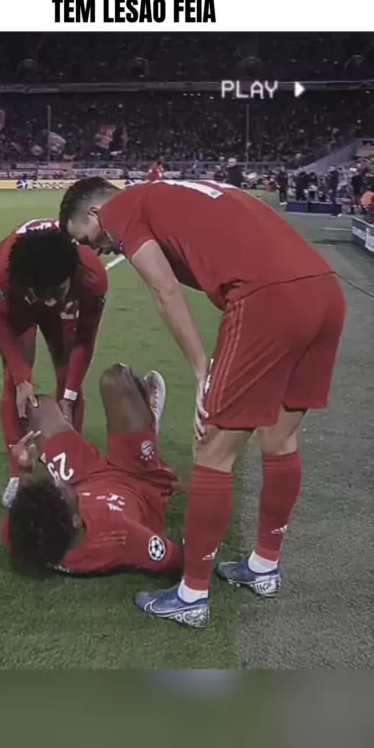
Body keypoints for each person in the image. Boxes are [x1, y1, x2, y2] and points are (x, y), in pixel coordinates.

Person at [59, 177, 346, 628]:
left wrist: (201, 371)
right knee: (281, 438)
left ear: (95, 213)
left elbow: (164, 289)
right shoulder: (177, 189)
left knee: (211, 449)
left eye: (85, 238)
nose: (93, 248)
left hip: (267, 298)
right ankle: (264, 565)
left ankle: (192, 595)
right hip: (324, 290)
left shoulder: (120, 209)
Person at [2, 364, 183, 579]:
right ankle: (145, 429)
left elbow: (21, 519)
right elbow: (177, 560)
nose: (57, 482)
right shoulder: (119, 537)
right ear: (75, 521)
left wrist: (25, 472)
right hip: (137, 481)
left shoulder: (29, 537)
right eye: (59, 492)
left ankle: (138, 426)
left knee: (37, 409)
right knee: (115, 379)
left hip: (83, 476)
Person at [0, 219, 107, 509]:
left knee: (69, 379)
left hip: (62, 294)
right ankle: (18, 473)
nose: (51, 303)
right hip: (23, 304)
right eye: (43, 296)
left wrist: (69, 394)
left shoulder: (91, 276)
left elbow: (85, 338)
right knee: (14, 382)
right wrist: (21, 378)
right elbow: (3, 323)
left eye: (58, 292)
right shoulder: (7, 273)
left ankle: (73, 469)